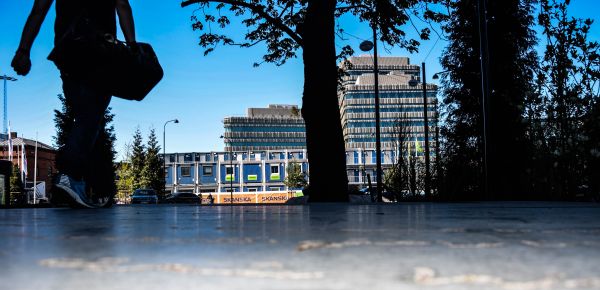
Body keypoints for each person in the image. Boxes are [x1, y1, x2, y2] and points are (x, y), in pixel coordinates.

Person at [11, 0, 137, 208]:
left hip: (67, 51)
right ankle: (69, 175)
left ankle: (89, 185)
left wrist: (24, 50)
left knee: (87, 118)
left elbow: (38, 11)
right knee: (91, 116)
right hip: (100, 51)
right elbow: (122, 5)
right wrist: (132, 47)